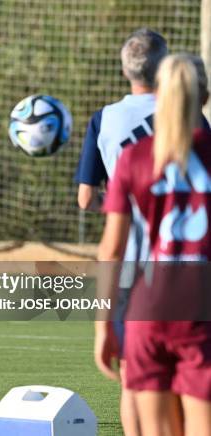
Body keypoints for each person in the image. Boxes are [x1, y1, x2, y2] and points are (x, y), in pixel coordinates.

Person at [97, 53, 211, 436]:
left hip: (147, 310)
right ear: (206, 95)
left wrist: (102, 327)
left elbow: (111, 251)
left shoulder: (134, 157)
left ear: (159, 94)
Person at [75, 28, 168, 436]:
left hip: (129, 259)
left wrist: (116, 210)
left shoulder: (104, 118)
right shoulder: (189, 118)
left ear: (124, 68)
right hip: (186, 261)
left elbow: (84, 199)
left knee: (133, 373)